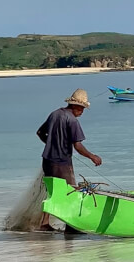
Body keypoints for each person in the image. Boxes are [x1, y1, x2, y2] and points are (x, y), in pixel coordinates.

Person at [37, 88, 102, 231]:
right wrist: (92, 156)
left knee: (52, 192)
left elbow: (40, 133)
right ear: (75, 106)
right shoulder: (72, 120)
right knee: (71, 192)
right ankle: (71, 227)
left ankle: (44, 223)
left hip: (47, 160)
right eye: (82, 108)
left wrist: (51, 143)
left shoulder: (54, 114)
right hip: (62, 163)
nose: (82, 112)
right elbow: (77, 145)